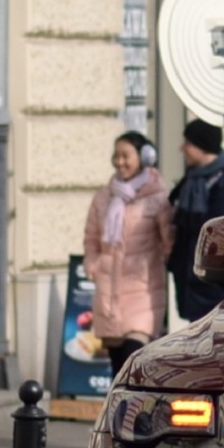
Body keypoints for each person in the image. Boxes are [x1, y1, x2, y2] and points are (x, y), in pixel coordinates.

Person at [84, 131, 171, 380]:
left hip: (143, 293)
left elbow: (169, 243)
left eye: (126, 156)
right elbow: (91, 240)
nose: (119, 162)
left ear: (144, 158)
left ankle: (135, 418)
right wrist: (93, 264)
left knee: (134, 364)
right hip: (109, 295)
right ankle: (119, 420)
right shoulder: (103, 198)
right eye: (116, 156)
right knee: (116, 371)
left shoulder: (157, 198)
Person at [168, 118, 224, 323]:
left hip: (221, 289)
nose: (182, 149)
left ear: (202, 145)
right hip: (191, 285)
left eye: (188, 143)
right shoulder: (189, 183)